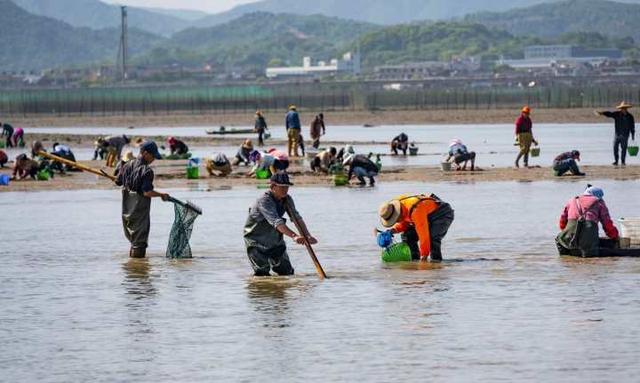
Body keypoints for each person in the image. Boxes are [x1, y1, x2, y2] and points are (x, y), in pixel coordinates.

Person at [243, 172, 317, 276]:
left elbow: (297, 219)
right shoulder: (264, 201)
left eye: (287, 187)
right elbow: (277, 222)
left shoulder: (287, 199)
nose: (285, 190)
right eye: (282, 187)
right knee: (262, 273)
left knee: (286, 271)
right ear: (272, 186)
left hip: (275, 239)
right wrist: (294, 236)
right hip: (256, 240)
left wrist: (307, 235)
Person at [115, 141, 170, 258]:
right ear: (145, 153)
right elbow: (147, 192)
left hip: (127, 211)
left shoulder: (127, 165)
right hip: (139, 211)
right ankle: (138, 274)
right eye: (153, 156)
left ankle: (133, 270)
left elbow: (118, 181)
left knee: (134, 242)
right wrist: (161, 195)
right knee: (139, 244)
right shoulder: (147, 171)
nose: (154, 159)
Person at [377, 193, 455, 261]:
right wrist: (392, 230)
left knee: (432, 239)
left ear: (397, 213)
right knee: (407, 235)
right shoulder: (398, 207)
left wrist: (424, 256)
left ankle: (436, 263)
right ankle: (414, 259)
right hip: (425, 216)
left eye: (395, 219)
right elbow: (405, 223)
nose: (396, 222)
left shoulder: (415, 211)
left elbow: (424, 236)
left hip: (442, 214)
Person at [556, 186, 619, 257]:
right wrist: (615, 237)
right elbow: (607, 224)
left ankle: (566, 259)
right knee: (590, 257)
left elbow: (562, 221)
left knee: (560, 240)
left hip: (569, 235)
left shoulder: (572, 200)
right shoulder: (599, 202)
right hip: (588, 238)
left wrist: (568, 232)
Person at [596, 101, 636, 166]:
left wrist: (633, 135)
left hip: (625, 135)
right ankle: (616, 161)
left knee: (624, 149)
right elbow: (610, 114)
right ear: (620, 108)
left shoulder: (630, 116)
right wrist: (602, 113)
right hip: (617, 135)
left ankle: (623, 162)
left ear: (626, 108)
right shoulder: (617, 114)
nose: (623, 109)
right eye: (622, 108)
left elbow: (632, 126)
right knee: (615, 148)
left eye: (625, 108)